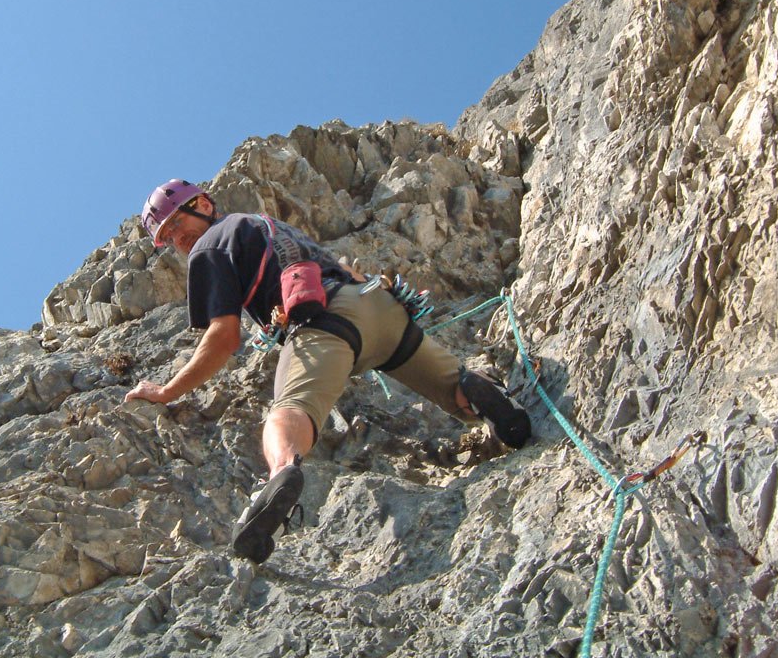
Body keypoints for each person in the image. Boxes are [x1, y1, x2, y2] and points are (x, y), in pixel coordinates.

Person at [125, 179, 532, 564]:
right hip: (378, 307)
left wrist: (167, 391)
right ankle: (479, 391)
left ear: (203, 205)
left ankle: (278, 478)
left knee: (288, 411)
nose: (176, 239)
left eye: (176, 224)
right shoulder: (265, 224)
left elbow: (224, 337)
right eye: (166, 237)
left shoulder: (208, 246)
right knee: (455, 387)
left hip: (326, 325)